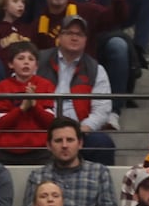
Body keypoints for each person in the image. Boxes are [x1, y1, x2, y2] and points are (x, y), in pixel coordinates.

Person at [36, 14, 116, 166]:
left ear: (86, 39)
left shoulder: (95, 69)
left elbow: (102, 110)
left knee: (103, 143)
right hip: (41, 127)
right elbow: (18, 83)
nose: (74, 38)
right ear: (59, 36)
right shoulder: (38, 61)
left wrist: (80, 130)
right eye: (69, 33)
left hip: (80, 129)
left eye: (79, 34)